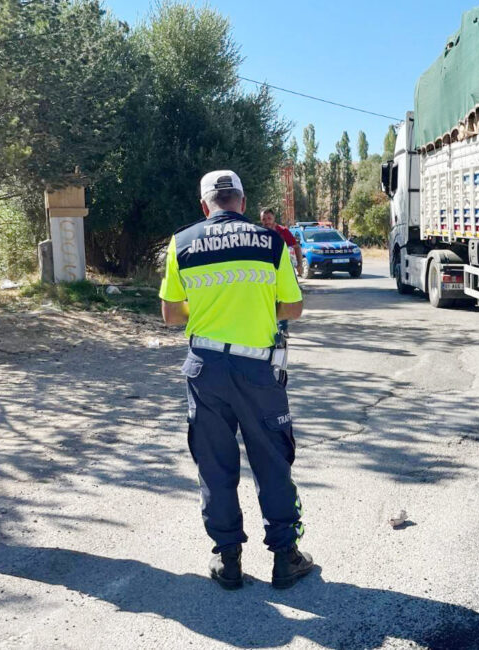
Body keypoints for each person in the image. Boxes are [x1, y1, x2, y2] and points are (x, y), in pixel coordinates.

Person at [159, 170, 315, 590]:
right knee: (272, 462)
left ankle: (228, 559)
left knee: (214, 464)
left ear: (204, 206)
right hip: (258, 370)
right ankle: (285, 557)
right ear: (243, 203)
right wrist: (258, 308)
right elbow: (293, 307)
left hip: (205, 369)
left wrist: (206, 309)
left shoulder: (182, 242)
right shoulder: (270, 242)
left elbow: (171, 314)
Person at [259, 208, 303, 276]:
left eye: (269, 218)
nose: (267, 222)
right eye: (264, 219)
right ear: (261, 220)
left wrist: (300, 264)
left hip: (283, 269)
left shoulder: (283, 231)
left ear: (274, 218)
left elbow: (297, 247)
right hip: (265, 270)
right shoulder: (259, 233)